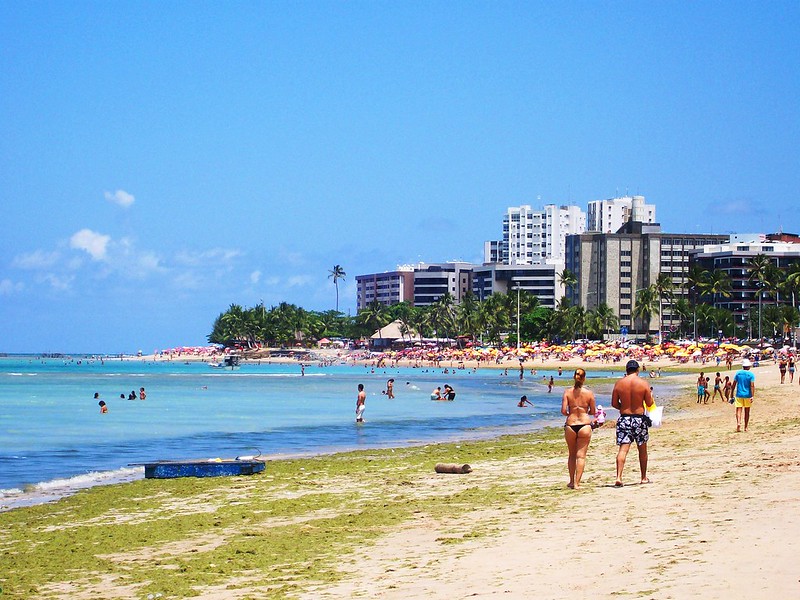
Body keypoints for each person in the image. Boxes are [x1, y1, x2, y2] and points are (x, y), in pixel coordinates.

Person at [611, 360, 654, 486]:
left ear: (626, 370)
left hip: (624, 418)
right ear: (637, 370)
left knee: (623, 449)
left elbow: (614, 403)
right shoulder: (643, 383)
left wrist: (624, 408)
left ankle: (619, 477)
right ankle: (643, 477)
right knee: (642, 449)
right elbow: (649, 403)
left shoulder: (619, 383)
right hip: (639, 419)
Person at [561, 368, 596, 489]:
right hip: (584, 424)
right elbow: (593, 411)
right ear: (584, 378)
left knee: (571, 454)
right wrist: (585, 411)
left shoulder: (567, 392)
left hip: (571, 425)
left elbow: (563, 411)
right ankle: (577, 483)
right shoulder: (589, 393)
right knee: (581, 456)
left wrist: (570, 414)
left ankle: (571, 481)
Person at [732, 359, 755, 432]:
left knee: (739, 410)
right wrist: (752, 395)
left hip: (739, 394)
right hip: (747, 395)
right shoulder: (751, 374)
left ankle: (738, 422)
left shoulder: (738, 373)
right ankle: (746, 427)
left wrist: (731, 393)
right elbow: (752, 386)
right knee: (747, 411)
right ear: (748, 367)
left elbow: (734, 384)